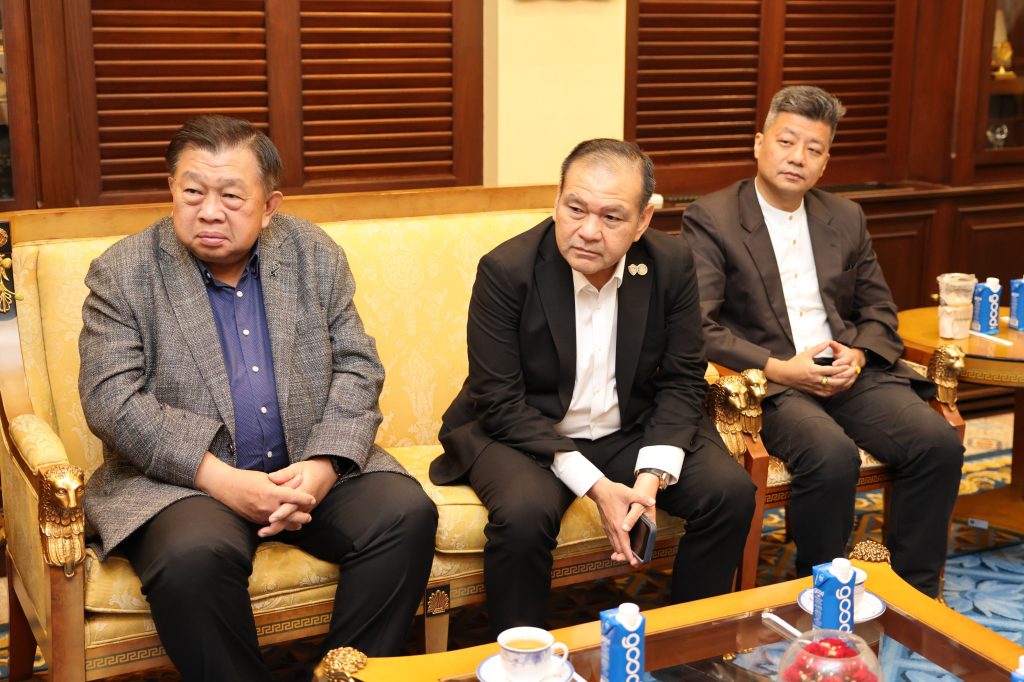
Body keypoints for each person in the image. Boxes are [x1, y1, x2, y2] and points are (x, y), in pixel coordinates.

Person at [78, 115, 437, 681]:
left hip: (305, 467)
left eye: (231, 196)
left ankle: (344, 676)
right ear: (171, 189)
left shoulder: (312, 253)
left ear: (269, 206)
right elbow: (112, 399)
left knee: (404, 514)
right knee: (192, 558)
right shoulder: (124, 272)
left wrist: (322, 467)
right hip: (185, 484)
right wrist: (222, 480)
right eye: (192, 192)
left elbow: (358, 366)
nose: (209, 211)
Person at [430, 138, 756, 633]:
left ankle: (689, 647)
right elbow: (499, 401)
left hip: (628, 427)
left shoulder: (670, 263)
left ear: (643, 220)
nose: (587, 231)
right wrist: (598, 488)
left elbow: (682, 378)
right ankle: (524, 659)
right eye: (575, 208)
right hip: (522, 432)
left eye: (611, 217)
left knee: (728, 492)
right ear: (557, 200)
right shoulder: (507, 270)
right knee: (523, 515)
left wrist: (651, 477)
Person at [681, 86, 964, 597]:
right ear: (759, 143)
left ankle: (914, 594)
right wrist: (781, 369)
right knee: (831, 456)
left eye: (814, 149)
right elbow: (699, 326)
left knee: (936, 442)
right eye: (787, 141)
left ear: (826, 161)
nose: (798, 157)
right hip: (771, 380)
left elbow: (879, 311)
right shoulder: (712, 217)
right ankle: (821, 594)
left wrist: (859, 354)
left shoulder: (845, 216)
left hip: (845, 370)